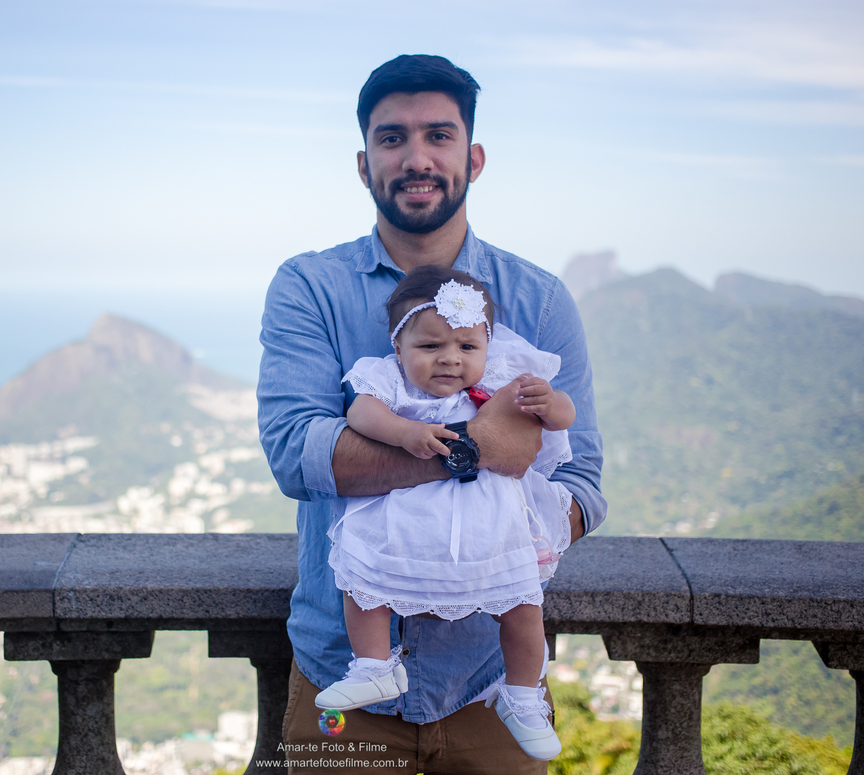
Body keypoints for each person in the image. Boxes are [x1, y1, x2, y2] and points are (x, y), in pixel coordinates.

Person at [257, 54, 606, 775]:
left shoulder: (538, 300)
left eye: (438, 136)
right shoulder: (310, 287)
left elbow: (585, 483)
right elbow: (297, 452)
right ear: (364, 164)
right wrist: (474, 449)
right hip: (341, 683)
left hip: (490, 686)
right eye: (392, 139)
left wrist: (520, 537)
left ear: (473, 158)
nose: (417, 158)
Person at [314, 265, 577, 761]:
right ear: (399, 349)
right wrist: (403, 433)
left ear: (487, 346)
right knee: (363, 581)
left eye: (466, 347)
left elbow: (561, 420)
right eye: (430, 347)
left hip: (490, 525)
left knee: (523, 607)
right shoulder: (389, 380)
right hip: (406, 521)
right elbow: (361, 413)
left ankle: (522, 696)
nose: (449, 359)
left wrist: (553, 403)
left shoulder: (504, 378)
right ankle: (374, 666)